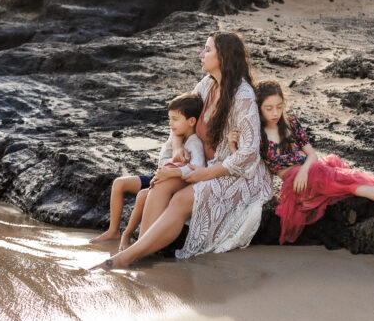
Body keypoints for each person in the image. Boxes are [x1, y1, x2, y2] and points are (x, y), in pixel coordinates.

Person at [91, 32, 272, 269]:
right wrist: (178, 146)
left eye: (207, 50)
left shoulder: (243, 95)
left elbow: (249, 154)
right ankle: (141, 252)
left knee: (180, 199)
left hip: (234, 175)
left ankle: (125, 258)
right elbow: (181, 122)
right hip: (202, 165)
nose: (201, 54)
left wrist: (204, 175)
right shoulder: (206, 85)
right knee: (160, 183)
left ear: (224, 57)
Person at [254, 79, 374, 244]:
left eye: (279, 106)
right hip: (297, 185)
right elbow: (244, 164)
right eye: (268, 108)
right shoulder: (258, 136)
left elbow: (312, 154)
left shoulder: (291, 123)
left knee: (348, 175)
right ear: (259, 108)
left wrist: (304, 170)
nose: (275, 112)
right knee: (344, 178)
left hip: (309, 170)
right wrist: (232, 145)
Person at [91, 92, 205, 250]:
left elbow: (198, 168)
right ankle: (113, 231)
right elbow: (164, 159)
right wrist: (171, 162)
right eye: (169, 118)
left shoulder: (194, 143)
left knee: (142, 195)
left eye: (175, 119)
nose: (170, 124)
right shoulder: (176, 135)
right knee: (119, 183)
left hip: (172, 182)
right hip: (159, 175)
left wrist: (174, 169)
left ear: (191, 121)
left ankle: (128, 235)